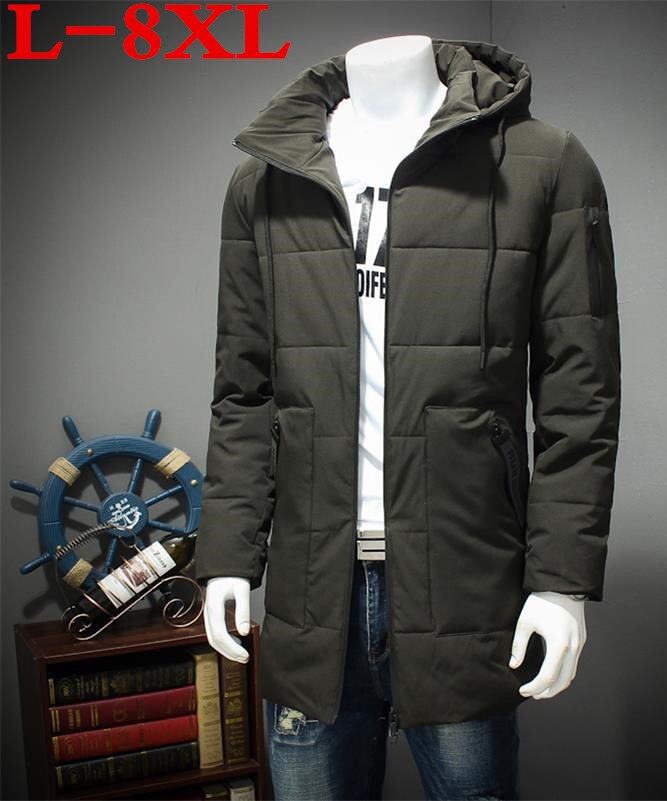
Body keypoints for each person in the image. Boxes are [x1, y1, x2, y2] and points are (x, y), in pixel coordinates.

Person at [195, 34, 621, 801]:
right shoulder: (265, 179)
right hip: (309, 589)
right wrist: (228, 554)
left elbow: (579, 395)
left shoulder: (544, 164)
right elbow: (244, 392)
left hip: (462, 580)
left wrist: (561, 583)